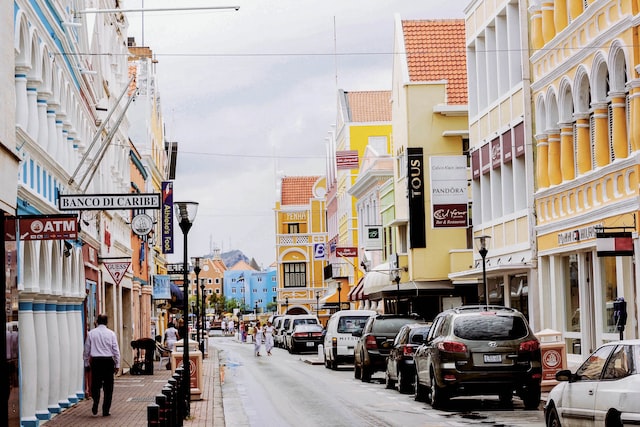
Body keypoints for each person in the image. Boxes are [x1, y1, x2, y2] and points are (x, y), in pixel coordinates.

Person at [83, 314, 120, 417]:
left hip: (96, 362)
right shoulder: (111, 334)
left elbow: (86, 350)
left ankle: (95, 402)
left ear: (97, 321)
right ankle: (105, 410)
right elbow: (116, 350)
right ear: (107, 322)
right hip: (108, 361)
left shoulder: (91, 334)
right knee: (108, 387)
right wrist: (117, 364)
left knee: (95, 385)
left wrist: (86, 363)